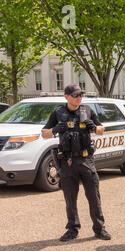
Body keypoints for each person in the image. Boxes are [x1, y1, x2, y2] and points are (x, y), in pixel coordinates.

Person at [41, 84, 111, 241]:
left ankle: (100, 229)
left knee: (94, 196)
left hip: (86, 159)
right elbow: (44, 133)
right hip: (67, 162)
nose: (79, 98)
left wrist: (94, 127)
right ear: (66, 97)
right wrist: (55, 129)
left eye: (81, 95)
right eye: (75, 95)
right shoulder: (58, 112)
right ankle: (72, 229)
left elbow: (101, 129)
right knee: (70, 198)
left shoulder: (87, 110)